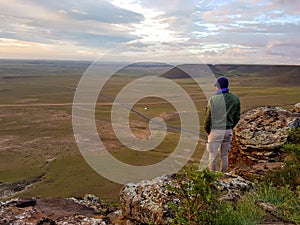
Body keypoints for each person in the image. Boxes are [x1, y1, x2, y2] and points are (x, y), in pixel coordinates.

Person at [203, 76, 240, 172]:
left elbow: (208, 117)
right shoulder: (235, 99)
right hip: (228, 131)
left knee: (212, 156)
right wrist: (230, 127)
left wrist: (207, 130)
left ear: (218, 87)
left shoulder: (213, 99)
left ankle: (213, 178)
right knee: (225, 155)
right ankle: (224, 175)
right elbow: (237, 117)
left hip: (215, 131)